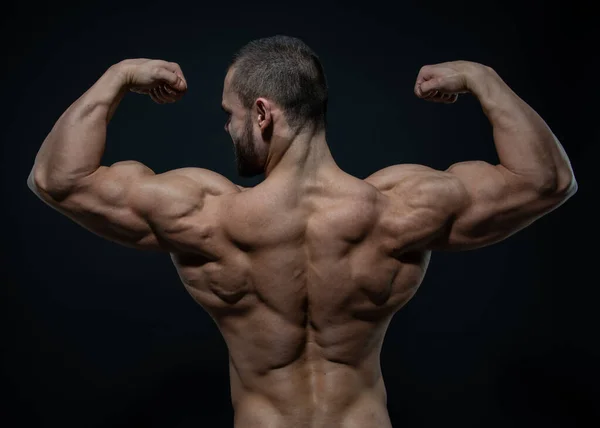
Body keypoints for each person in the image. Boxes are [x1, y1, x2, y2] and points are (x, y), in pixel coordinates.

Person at [27, 35, 577, 428]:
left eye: (230, 113)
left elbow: (58, 179)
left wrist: (120, 75)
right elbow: (546, 181)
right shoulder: (397, 209)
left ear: (262, 113)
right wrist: (485, 79)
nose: (227, 126)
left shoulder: (207, 215)